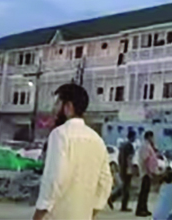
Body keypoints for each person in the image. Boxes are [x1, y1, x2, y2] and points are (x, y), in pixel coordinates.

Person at [33, 83, 113, 220]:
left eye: (57, 103)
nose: (53, 109)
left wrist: (40, 212)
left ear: (68, 107)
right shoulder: (97, 140)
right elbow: (106, 181)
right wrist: (92, 210)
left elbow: (55, 179)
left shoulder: (60, 134)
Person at [135, 130, 159, 217]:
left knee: (146, 191)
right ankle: (140, 209)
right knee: (143, 192)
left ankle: (144, 208)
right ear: (149, 137)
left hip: (148, 172)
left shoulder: (149, 146)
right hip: (145, 172)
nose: (153, 139)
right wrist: (148, 171)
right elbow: (146, 160)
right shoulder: (145, 146)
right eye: (152, 137)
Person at [117, 129, 137, 212]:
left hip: (122, 167)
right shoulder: (129, 146)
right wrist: (131, 169)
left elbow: (119, 157)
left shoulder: (122, 145)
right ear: (132, 137)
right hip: (127, 169)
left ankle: (112, 197)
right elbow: (129, 158)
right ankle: (124, 206)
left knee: (124, 186)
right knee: (126, 188)